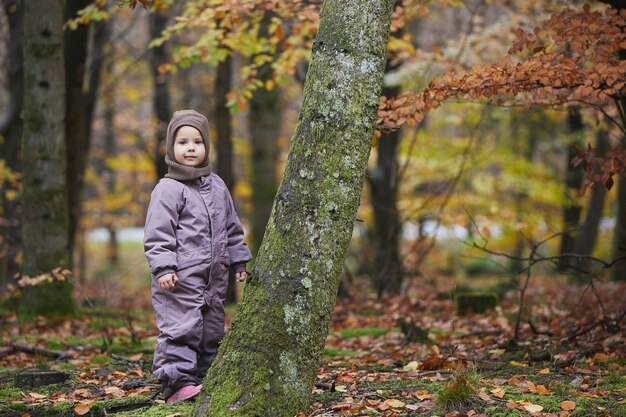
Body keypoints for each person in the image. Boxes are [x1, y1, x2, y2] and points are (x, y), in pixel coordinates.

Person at [144, 109, 251, 404]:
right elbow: (157, 233)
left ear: (206, 147)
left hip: (213, 280)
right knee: (181, 329)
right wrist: (163, 267)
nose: (190, 148)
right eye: (182, 142)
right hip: (178, 280)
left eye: (197, 142)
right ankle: (176, 383)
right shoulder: (168, 189)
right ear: (171, 147)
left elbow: (232, 226)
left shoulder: (217, 185)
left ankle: (203, 378)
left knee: (211, 329)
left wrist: (239, 259)